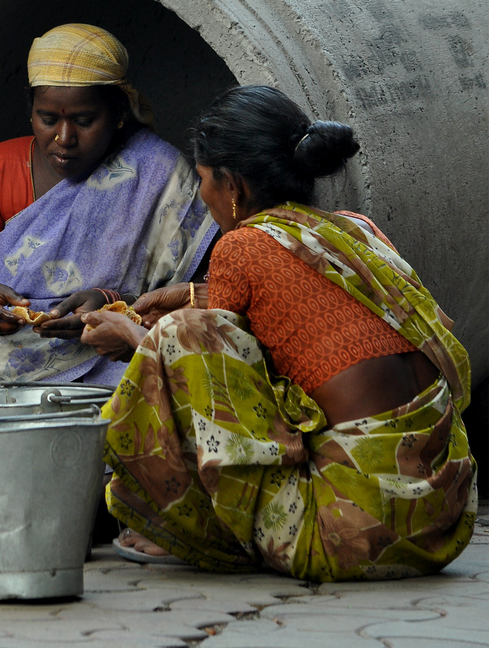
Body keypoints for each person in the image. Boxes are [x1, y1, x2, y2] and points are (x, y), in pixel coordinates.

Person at [82, 85, 477, 581]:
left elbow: (214, 379)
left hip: (348, 535)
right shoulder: (355, 233)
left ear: (233, 187)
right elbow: (292, 314)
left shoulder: (241, 249)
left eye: (202, 181)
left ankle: (202, 529)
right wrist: (189, 293)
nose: (202, 196)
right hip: (440, 522)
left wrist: (133, 336)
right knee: (191, 325)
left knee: (182, 337)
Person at [0, 23, 217, 471]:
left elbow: (201, 299)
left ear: (118, 112)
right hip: (9, 347)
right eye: (48, 118)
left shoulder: (160, 173)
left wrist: (114, 306)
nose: (63, 138)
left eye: (83, 120)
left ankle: (27, 437)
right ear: (30, 110)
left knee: (189, 371)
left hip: (107, 356)